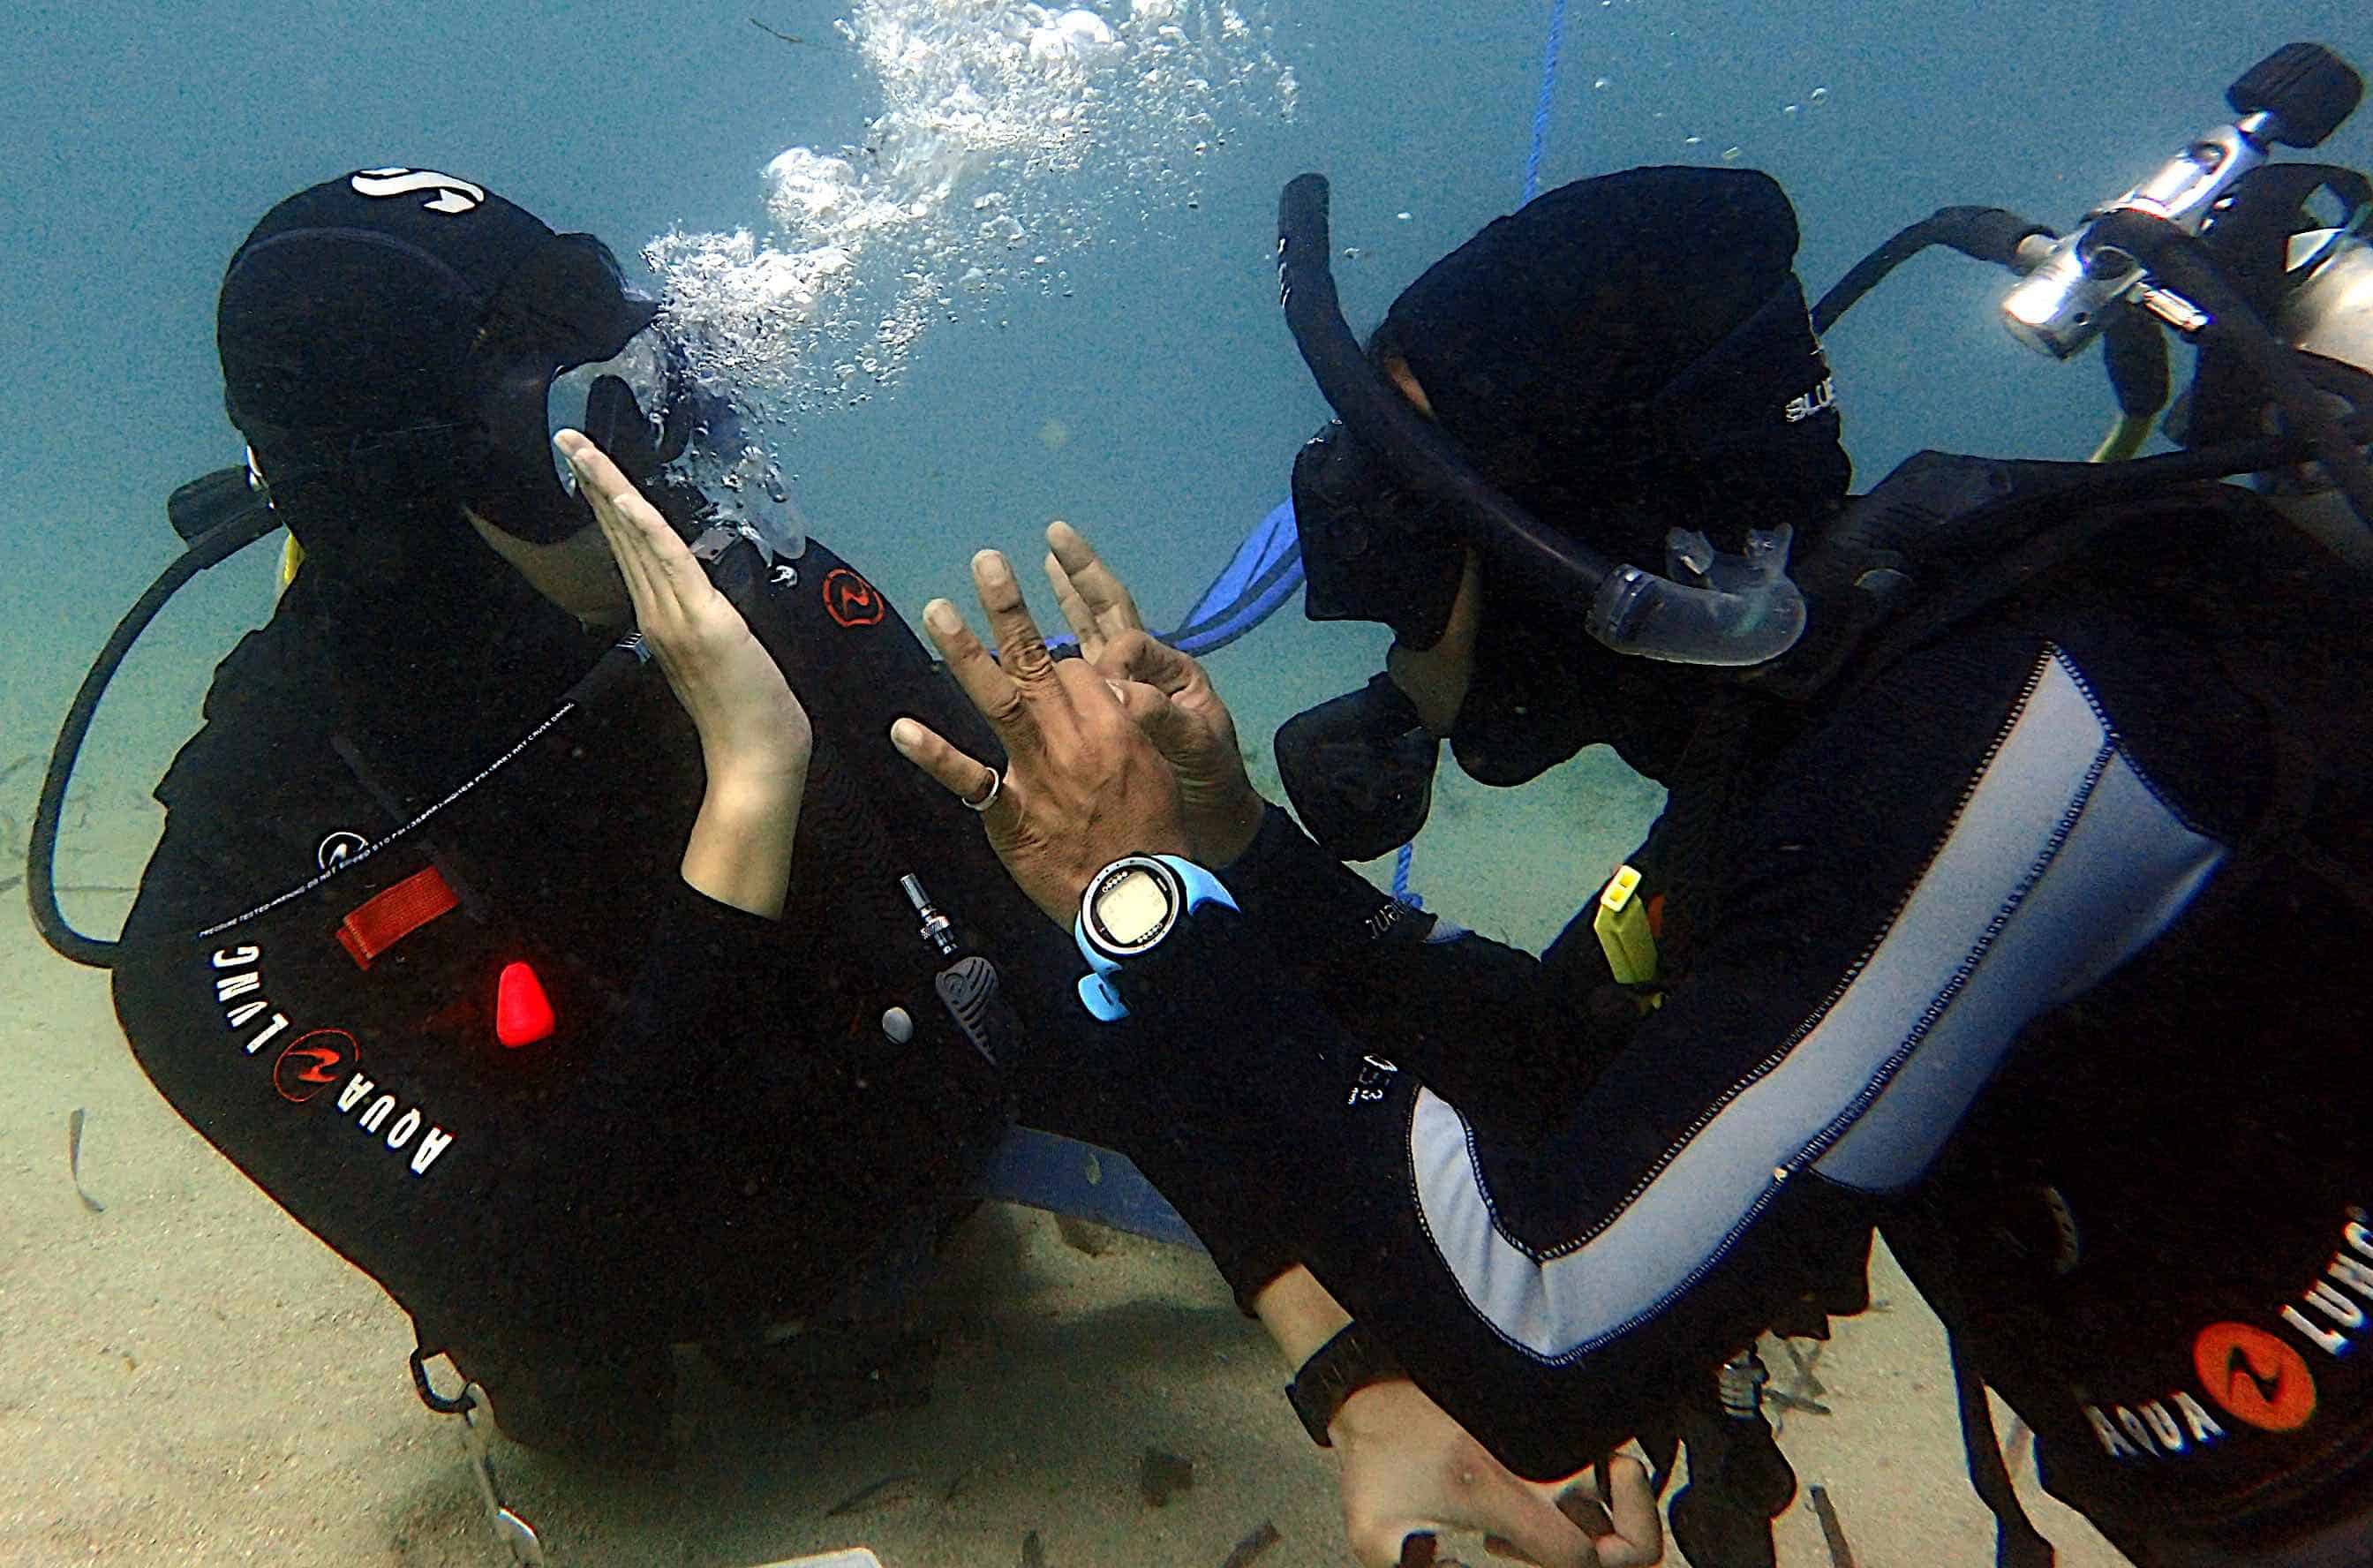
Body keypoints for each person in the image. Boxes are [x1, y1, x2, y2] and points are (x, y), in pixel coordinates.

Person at [884, 160, 2373, 1568]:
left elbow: (1548, 1323)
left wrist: (1138, 902)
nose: (1367, 581)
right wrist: (1235, 855)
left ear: (1576, 540)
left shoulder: (2006, 732)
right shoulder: (1810, 732)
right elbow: (1565, 1068)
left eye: (1411, 516)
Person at [95, 167, 1154, 1462]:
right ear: (399, 502)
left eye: (654, 385)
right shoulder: (238, 879)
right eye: (581, 427)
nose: (665, 480)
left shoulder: (740, 588)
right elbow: (554, 1290)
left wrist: (1165, 881)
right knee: (600, 1427)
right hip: (691, 1320)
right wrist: (749, 801)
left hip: (930, 1175)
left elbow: (1041, 949)